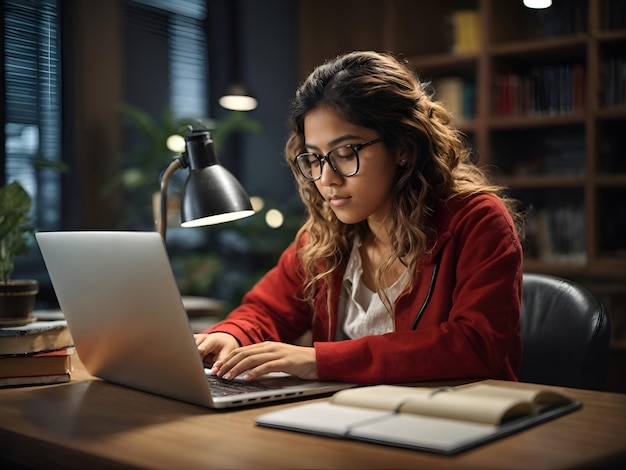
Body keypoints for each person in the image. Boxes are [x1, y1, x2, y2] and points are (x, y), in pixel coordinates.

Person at [195, 50, 524, 385]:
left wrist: (320, 360)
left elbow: (474, 346)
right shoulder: (324, 235)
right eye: (315, 158)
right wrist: (231, 335)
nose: (327, 178)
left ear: (403, 148)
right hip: (350, 418)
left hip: (455, 421)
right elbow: (266, 310)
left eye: (345, 153)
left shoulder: (477, 221)